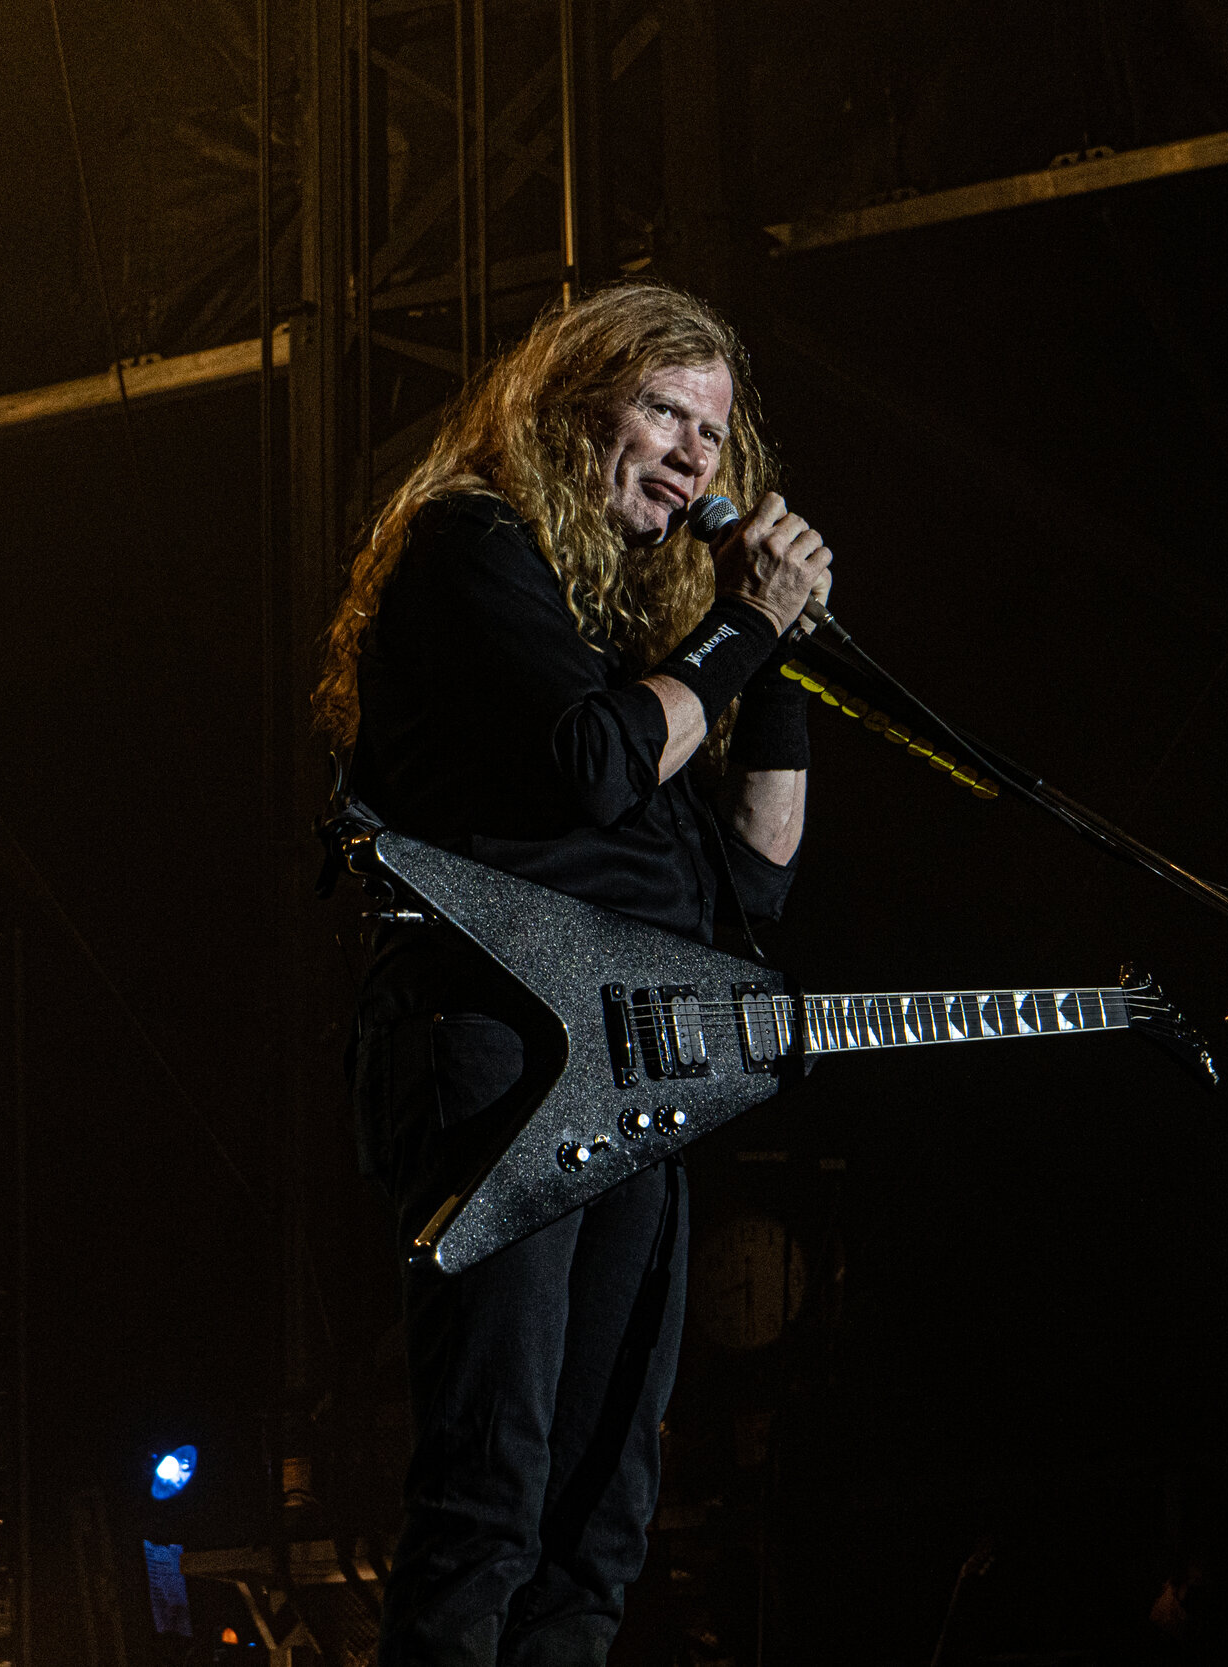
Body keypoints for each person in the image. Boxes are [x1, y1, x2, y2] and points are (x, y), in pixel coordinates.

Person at [314, 280, 833, 1666]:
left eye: (715, 435)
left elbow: (757, 880)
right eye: (665, 409)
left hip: (631, 1067)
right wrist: (736, 638)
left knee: (604, 1517)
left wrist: (765, 653)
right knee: (493, 1497)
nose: (693, 454)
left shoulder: (622, 640)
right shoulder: (469, 545)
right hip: (495, 1049)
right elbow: (587, 764)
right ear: (571, 402)